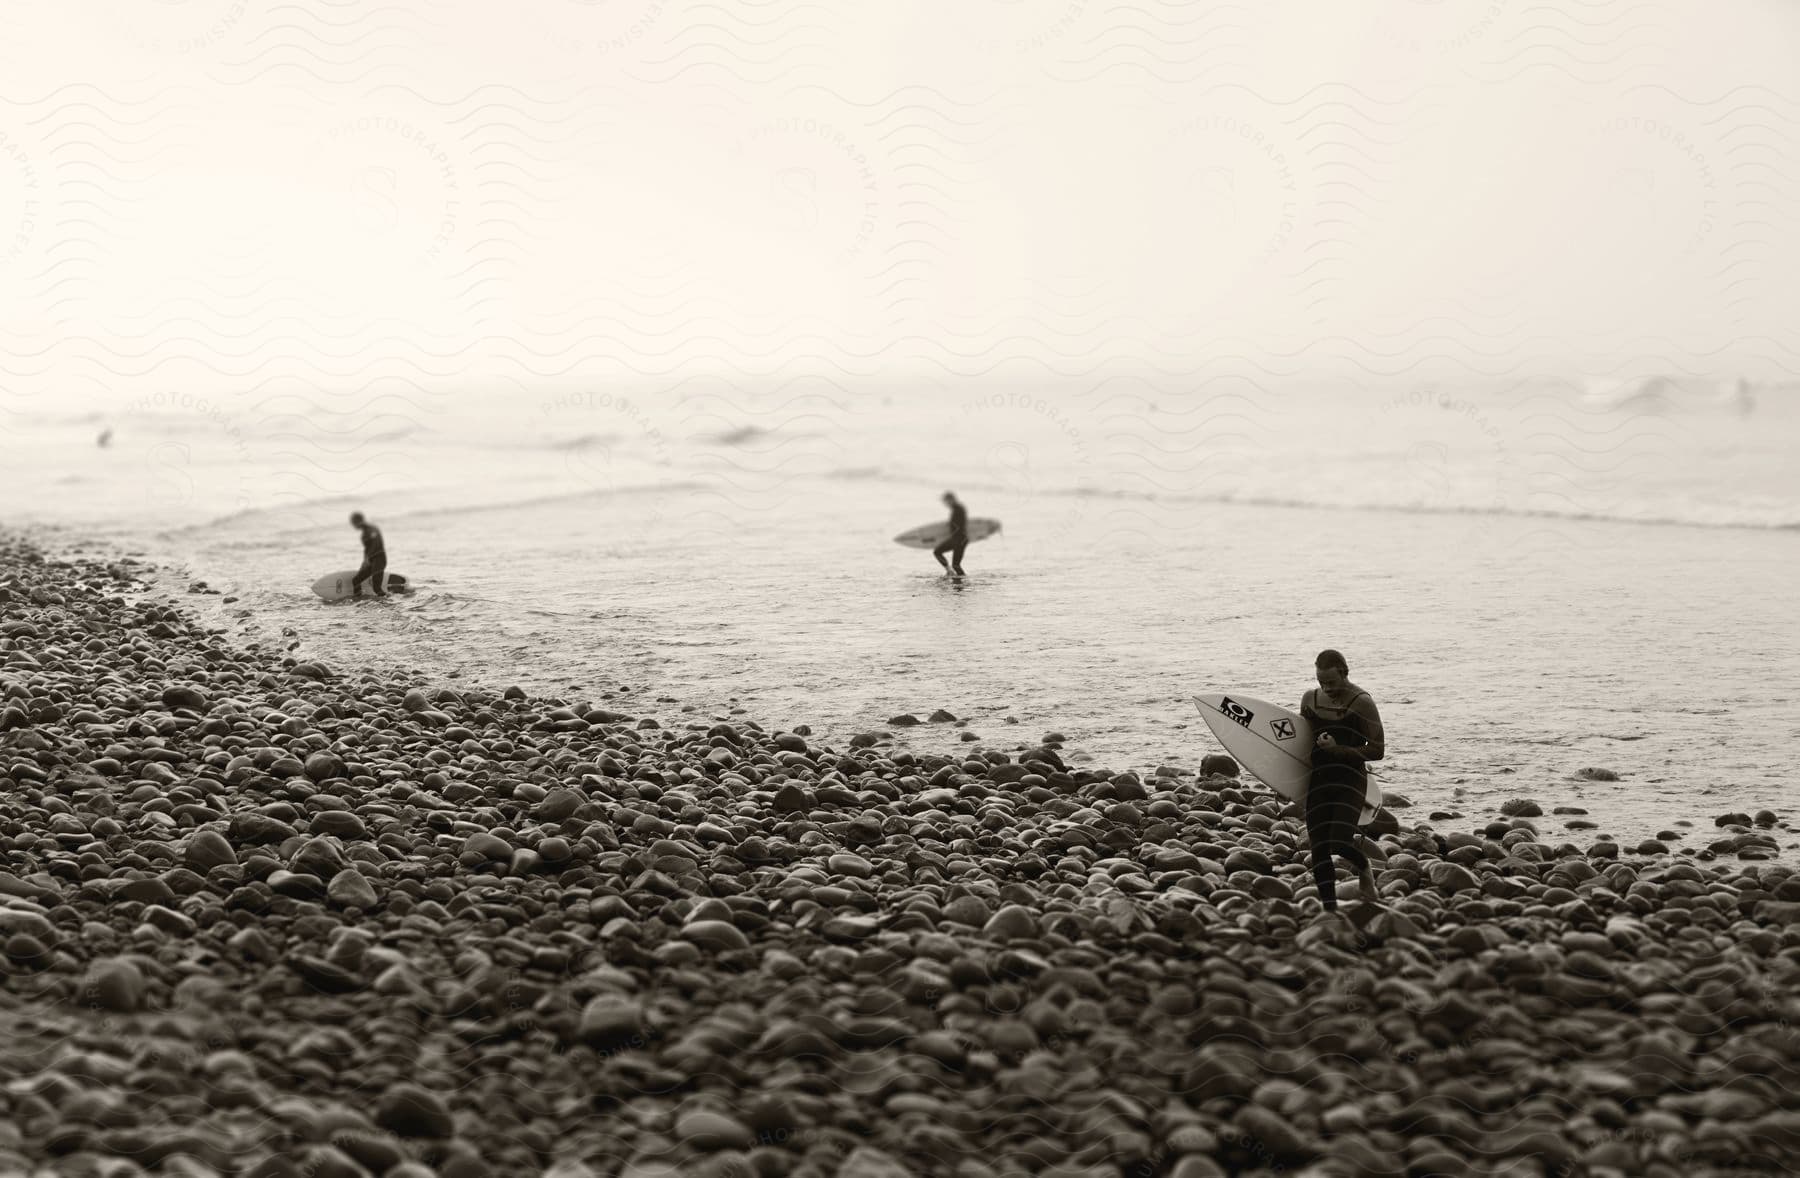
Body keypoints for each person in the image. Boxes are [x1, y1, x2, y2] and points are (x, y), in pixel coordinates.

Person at [1300, 648, 1383, 915]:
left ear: (1345, 673)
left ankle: (1364, 868)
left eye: (1332, 682)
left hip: (1350, 779)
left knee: (1339, 840)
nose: (1326, 687)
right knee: (1319, 848)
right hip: (1319, 779)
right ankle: (1330, 911)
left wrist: (1337, 749)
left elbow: (1378, 749)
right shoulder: (1310, 699)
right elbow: (1299, 740)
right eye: (1321, 681)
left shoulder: (1362, 701)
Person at [349, 512, 387, 598]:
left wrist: (367, 558)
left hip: (379, 559)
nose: (353, 526)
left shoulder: (372, 529)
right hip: (371, 560)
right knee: (356, 581)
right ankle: (358, 600)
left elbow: (376, 544)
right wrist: (364, 561)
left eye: (353, 523)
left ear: (358, 521)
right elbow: (367, 549)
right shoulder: (364, 533)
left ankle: (388, 605)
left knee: (377, 588)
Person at [933, 491, 968, 576]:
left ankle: (958, 578)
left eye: (946, 501)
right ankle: (953, 573)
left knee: (939, 553)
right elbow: (958, 524)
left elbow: (958, 526)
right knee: (955, 564)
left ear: (951, 500)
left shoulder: (958, 509)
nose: (945, 503)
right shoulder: (957, 508)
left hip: (959, 539)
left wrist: (951, 526)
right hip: (959, 539)